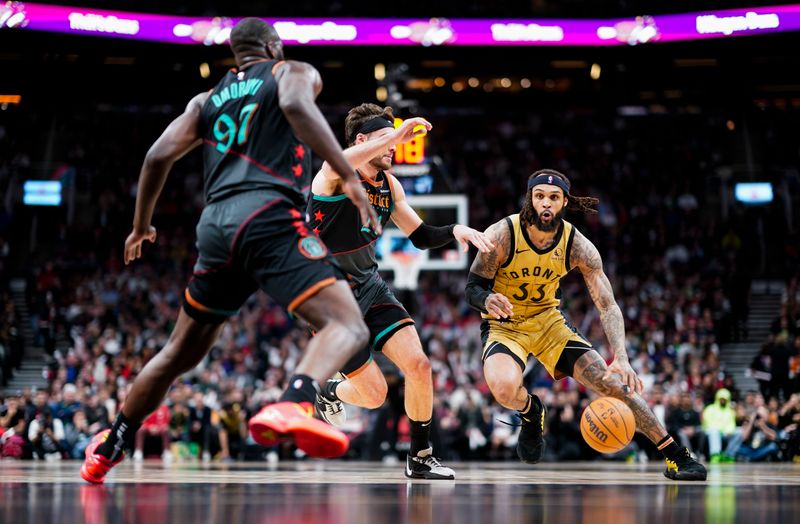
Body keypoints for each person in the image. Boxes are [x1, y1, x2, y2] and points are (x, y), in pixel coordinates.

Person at [80, 18, 380, 484]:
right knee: (346, 324)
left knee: (179, 352)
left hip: (216, 226)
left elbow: (157, 156)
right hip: (268, 216)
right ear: (272, 46)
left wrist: (141, 226)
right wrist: (351, 178)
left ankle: (111, 442)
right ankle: (296, 401)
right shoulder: (289, 72)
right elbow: (298, 106)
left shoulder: (204, 100)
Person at [464, 169, 707, 481]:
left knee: (614, 384)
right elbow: (472, 287)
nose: (546, 203)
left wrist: (621, 356)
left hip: (549, 323)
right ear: (531, 200)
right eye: (539, 197)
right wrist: (486, 301)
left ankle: (676, 455)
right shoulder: (503, 233)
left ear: (564, 201)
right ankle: (531, 412)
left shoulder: (577, 245)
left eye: (553, 197)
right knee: (502, 388)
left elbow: (607, 304)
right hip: (505, 326)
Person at [308, 103, 493, 479]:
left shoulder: (390, 185)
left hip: (370, 286)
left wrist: (453, 230)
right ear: (361, 141)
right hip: (331, 299)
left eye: (394, 140)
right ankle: (329, 390)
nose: (394, 148)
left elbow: (421, 235)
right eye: (384, 140)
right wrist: (398, 132)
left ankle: (421, 458)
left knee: (420, 365)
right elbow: (337, 160)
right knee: (374, 396)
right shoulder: (333, 175)